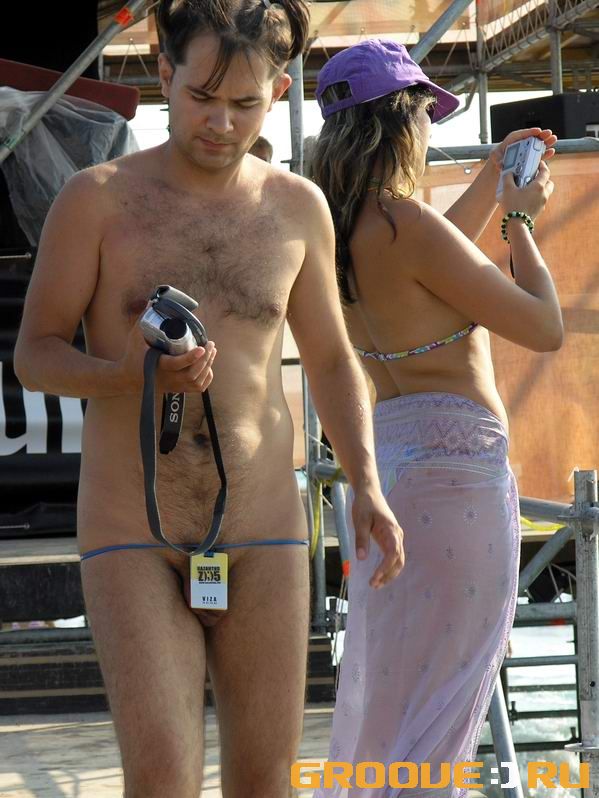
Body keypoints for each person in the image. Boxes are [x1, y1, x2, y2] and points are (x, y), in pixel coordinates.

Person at [13, 5, 404, 797]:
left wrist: (367, 483)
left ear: (279, 93)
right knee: (161, 779)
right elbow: (35, 355)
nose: (221, 123)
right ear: (164, 75)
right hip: (132, 533)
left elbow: (332, 359)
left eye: (245, 103)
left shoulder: (297, 206)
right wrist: (127, 377)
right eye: (201, 97)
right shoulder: (96, 198)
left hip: (264, 531)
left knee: (265, 782)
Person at [311, 38, 562, 797]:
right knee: (445, 703)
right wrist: (519, 223)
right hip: (459, 479)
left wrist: (490, 177)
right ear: (399, 122)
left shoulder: (336, 232)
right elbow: (543, 328)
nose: (428, 129)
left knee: (391, 698)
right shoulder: (407, 226)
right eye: (424, 113)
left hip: (389, 473)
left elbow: (436, 256)